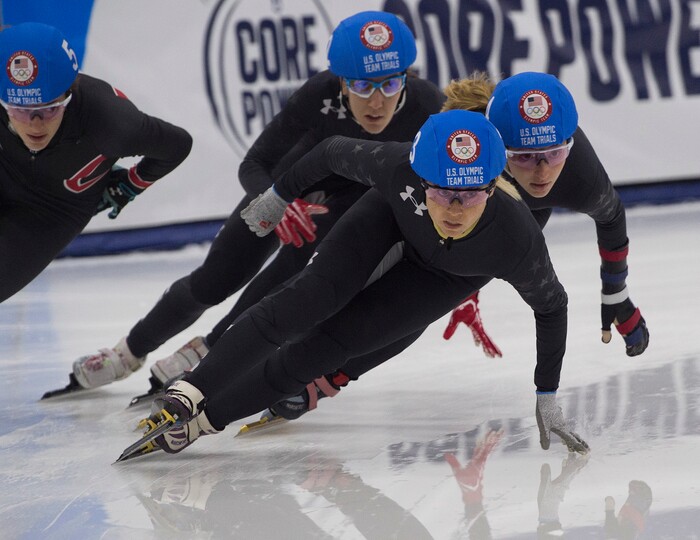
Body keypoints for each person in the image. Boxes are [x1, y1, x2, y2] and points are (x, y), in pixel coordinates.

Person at [119, 109, 590, 462]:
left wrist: (546, 393)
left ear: (492, 188)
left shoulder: (516, 240)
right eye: (441, 191)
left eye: (469, 195)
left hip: (445, 275)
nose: (453, 207)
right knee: (307, 300)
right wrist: (277, 196)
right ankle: (191, 392)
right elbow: (327, 153)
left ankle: (204, 422)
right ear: (419, 177)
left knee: (327, 348)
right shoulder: (397, 167)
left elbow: (553, 308)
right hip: (389, 218)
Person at [66, 10, 468, 394]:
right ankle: (128, 352)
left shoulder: (427, 106)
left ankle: (210, 350)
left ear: (406, 78)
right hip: (286, 185)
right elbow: (254, 163)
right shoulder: (318, 94)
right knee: (215, 279)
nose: (376, 102)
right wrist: (277, 200)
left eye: (389, 84)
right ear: (341, 82)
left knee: (296, 270)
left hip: (353, 198)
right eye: (362, 86)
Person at [249, 70, 650, 428]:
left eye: (553, 155)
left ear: (568, 148)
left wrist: (617, 293)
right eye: (523, 157)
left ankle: (323, 378)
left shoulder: (579, 177)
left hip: (496, 226)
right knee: (337, 283)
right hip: (430, 212)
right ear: (493, 146)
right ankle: (249, 345)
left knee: (413, 307)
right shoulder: (469, 144)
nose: (541, 170)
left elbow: (611, 218)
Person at [0, 22, 192, 304]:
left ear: (69, 94)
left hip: (50, 212)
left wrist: (129, 185)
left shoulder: (112, 122)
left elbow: (178, 145)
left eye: (50, 109)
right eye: (20, 110)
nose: (35, 125)